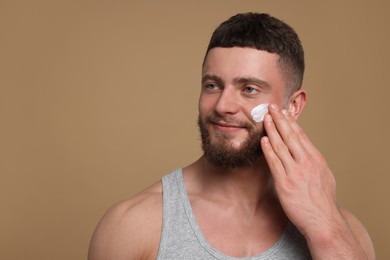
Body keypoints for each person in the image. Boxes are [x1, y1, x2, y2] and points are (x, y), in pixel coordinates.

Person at [88, 13, 375, 259]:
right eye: (212, 85)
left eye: (249, 89)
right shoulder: (135, 225)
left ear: (294, 105)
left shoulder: (344, 232)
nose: (223, 105)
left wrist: (326, 230)